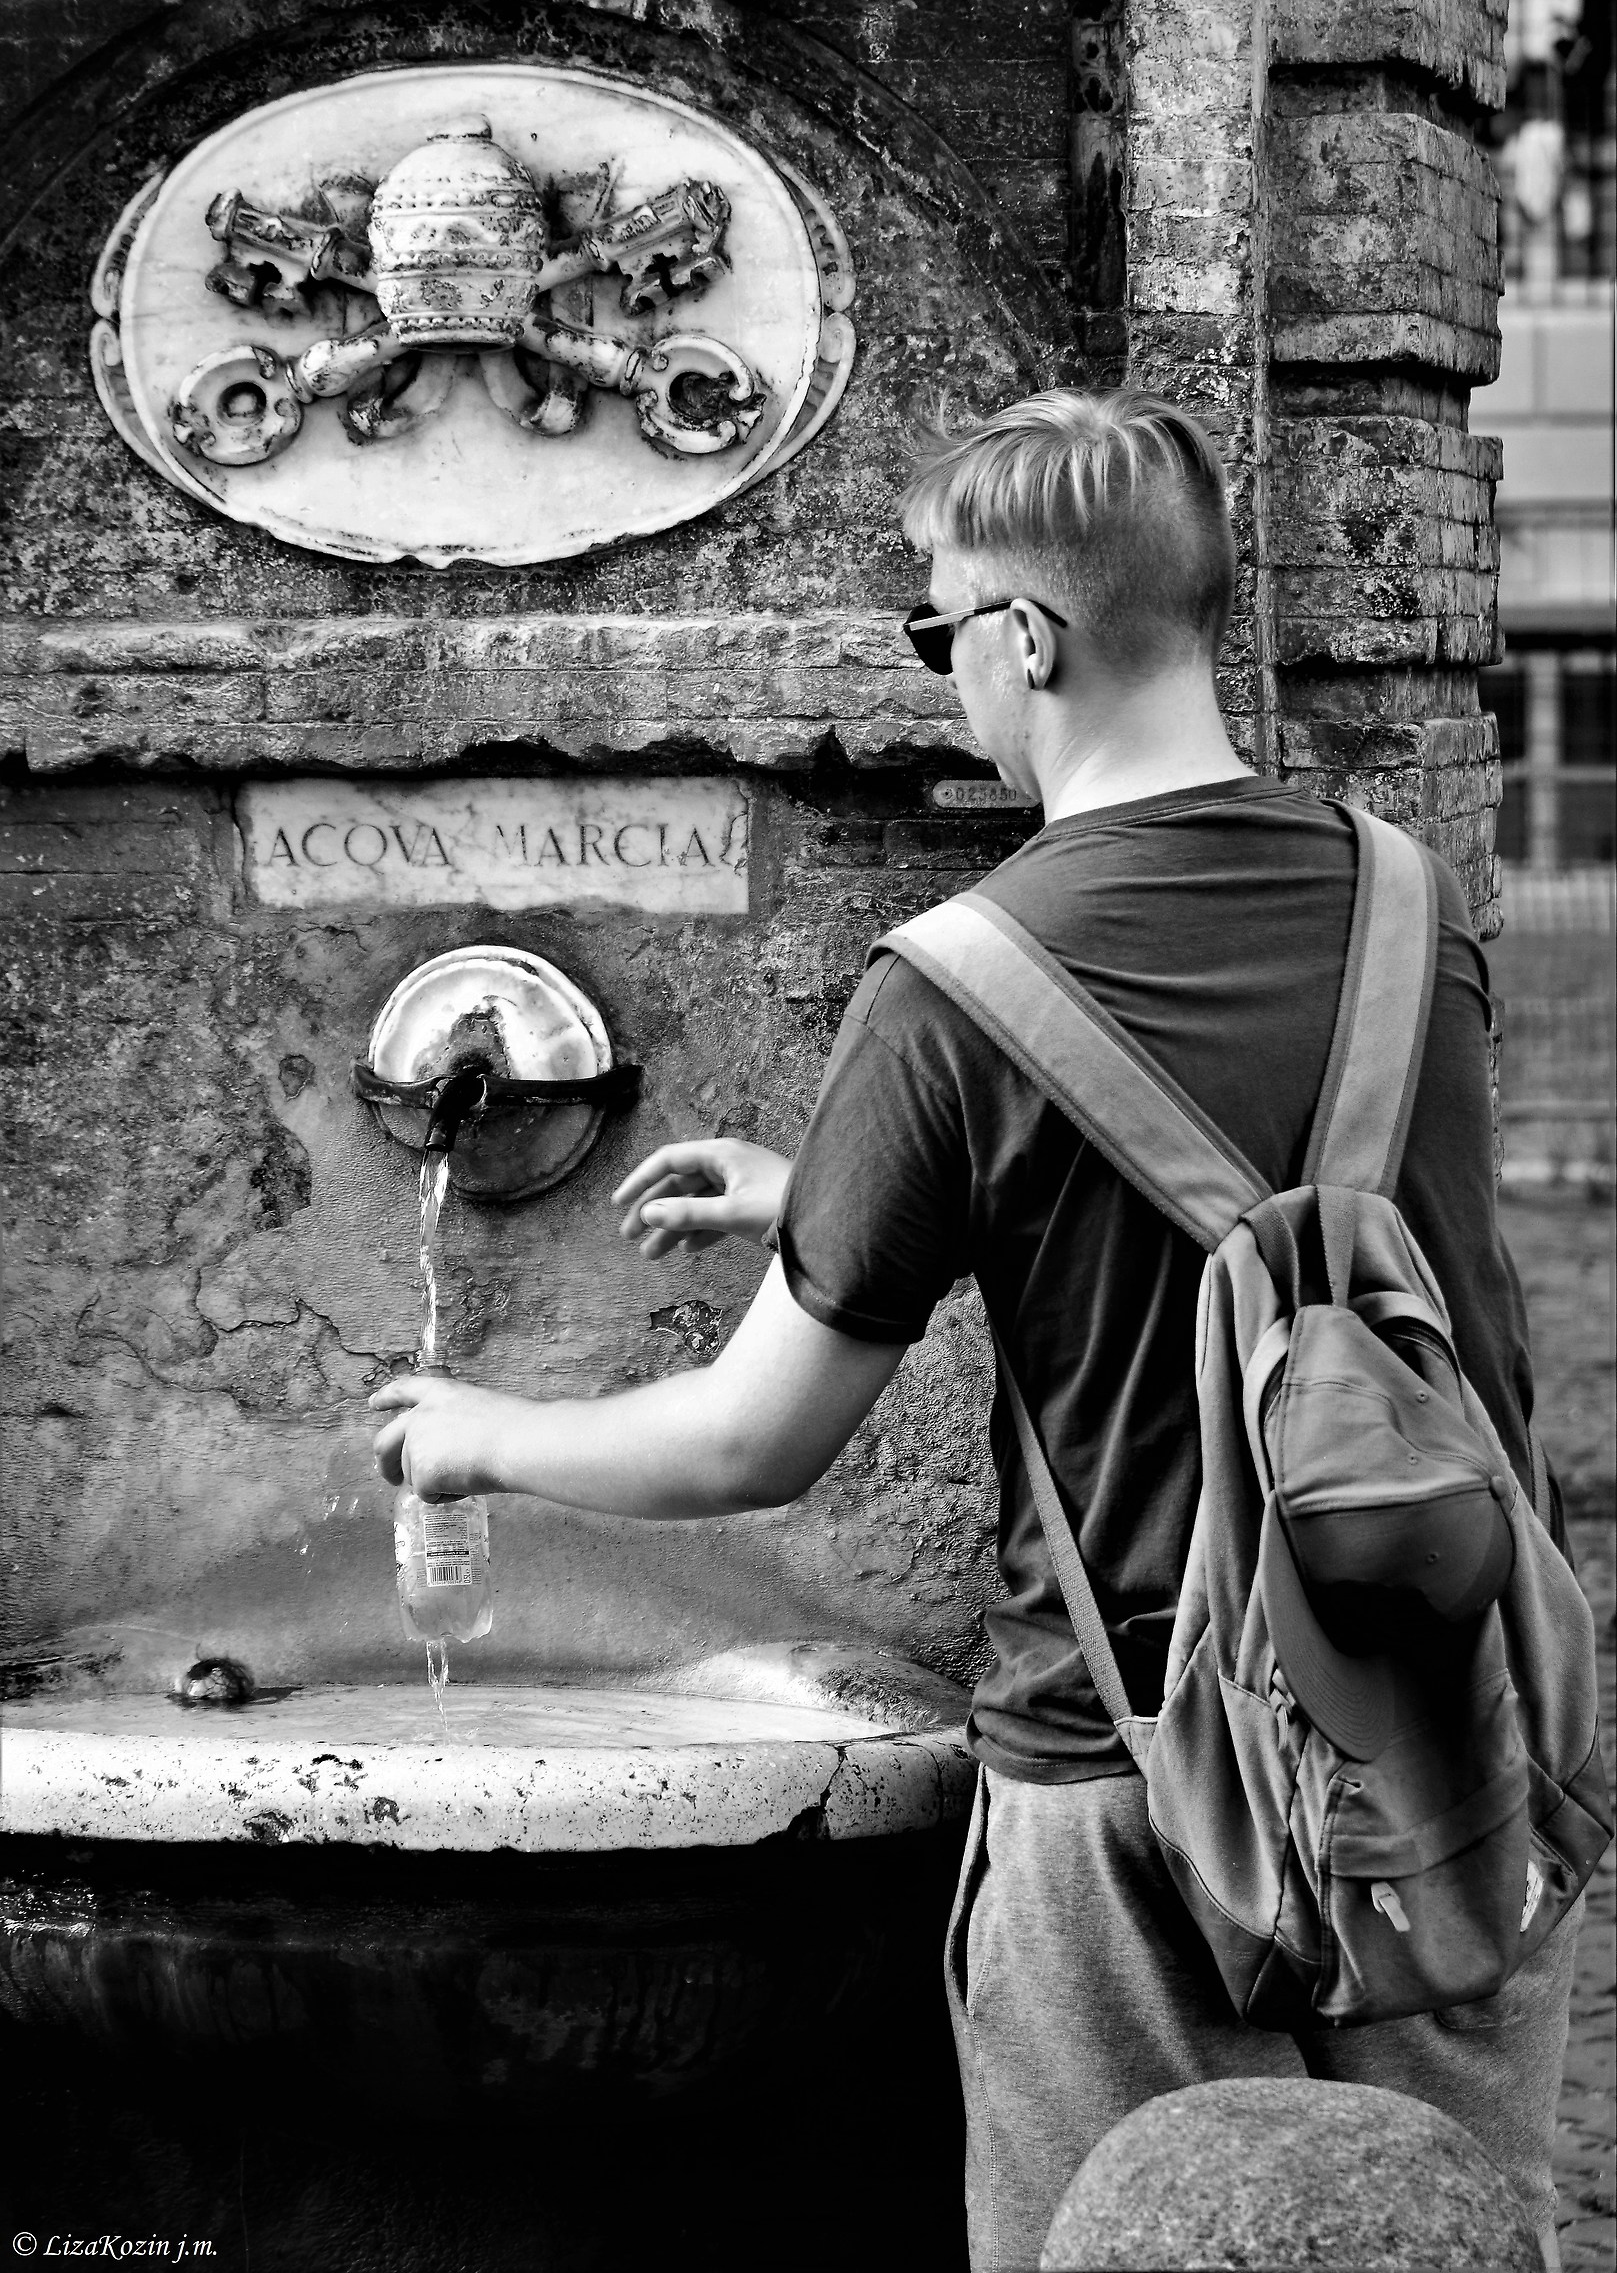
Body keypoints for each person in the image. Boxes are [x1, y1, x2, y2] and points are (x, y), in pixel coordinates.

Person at [372, 389, 1579, 2272]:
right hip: (1442, 1732)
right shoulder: (1414, 908)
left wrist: (477, 1433)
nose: (948, 685)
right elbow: (1303, 1227)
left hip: (1135, 1785)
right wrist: (848, 1200)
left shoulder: (955, 991)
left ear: (1026, 635)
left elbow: (741, 1443)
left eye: (941, 637)